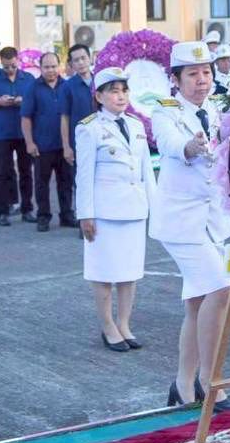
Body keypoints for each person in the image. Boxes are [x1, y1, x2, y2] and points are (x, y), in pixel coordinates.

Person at [151, 41, 230, 409]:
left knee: (197, 303)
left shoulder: (220, 108)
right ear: (176, 79)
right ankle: (210, 380)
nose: (202, 80)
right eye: (193, 74)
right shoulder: (164, 110)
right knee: (220, 288)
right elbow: (170, 144)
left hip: (213, 220)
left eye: (206, 72)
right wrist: (190, 146)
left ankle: (183, 385)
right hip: (181, 222)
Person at [76, 67, 155, 351]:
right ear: (99, 96)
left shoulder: (135, 125)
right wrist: (85, 213)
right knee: (103, 271)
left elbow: (147, 170)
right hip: (105, 213)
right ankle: (108, 325)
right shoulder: (89, 128)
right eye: (113, 91)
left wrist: (153, 207)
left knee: (129, 271)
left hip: (134, 209)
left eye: (124, 90)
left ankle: (124, 323)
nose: (121, 96)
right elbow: (83, 175)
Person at [21, 52, 73, 232]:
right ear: (40, 68)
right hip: (42, 146)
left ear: (59, 66)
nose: (51, 70)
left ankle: (67, 215)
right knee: (42, 183)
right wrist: (29, 143)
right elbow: (26, 118)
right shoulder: (33, 88)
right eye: (46, 67)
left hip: (64, 146)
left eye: (53, 66)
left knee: (66, 182)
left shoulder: (67, 86)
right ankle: (43, 216)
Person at [0, 46, 35, 226]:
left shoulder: (29, 79)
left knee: (26, 172)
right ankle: (3, 211)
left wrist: (24, 101)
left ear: (18, 61)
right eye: (6, 67)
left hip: (24, 132)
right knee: (3, 172)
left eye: (13, 66)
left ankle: (27, 209)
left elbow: (36, 104)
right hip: (2, 132)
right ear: (1, 62)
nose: (9, 70)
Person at [59, 44, 94, 189]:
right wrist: (66, 146)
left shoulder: (101, 82)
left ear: (90, 58)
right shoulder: (67, 87)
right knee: (82, 182)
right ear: (71, 64)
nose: (80, 62)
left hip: (104, 138)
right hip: (80, 142)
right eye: (76, 60)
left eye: (83, 58)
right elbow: (64, 118)